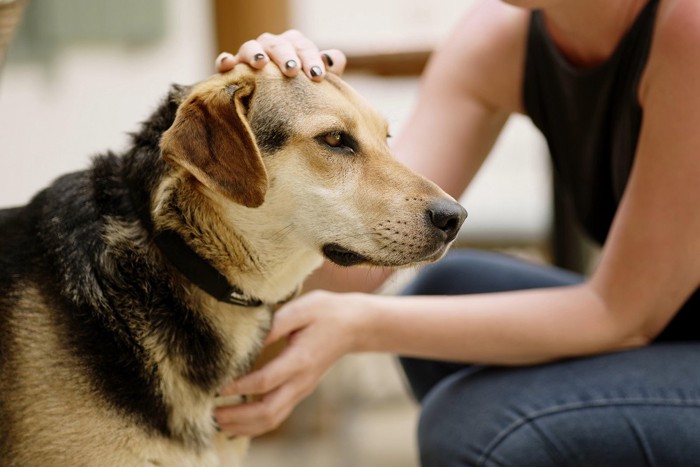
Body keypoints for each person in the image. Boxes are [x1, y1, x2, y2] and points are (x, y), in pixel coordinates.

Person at [215, 0, 700, 465]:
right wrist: (282, 99)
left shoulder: (689, 28)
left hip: (653, 328)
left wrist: (360, 327)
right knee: (444, 288)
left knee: (482, 426)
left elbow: (622, 315)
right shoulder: (499, 33)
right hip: (672, 332)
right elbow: (370, 251)